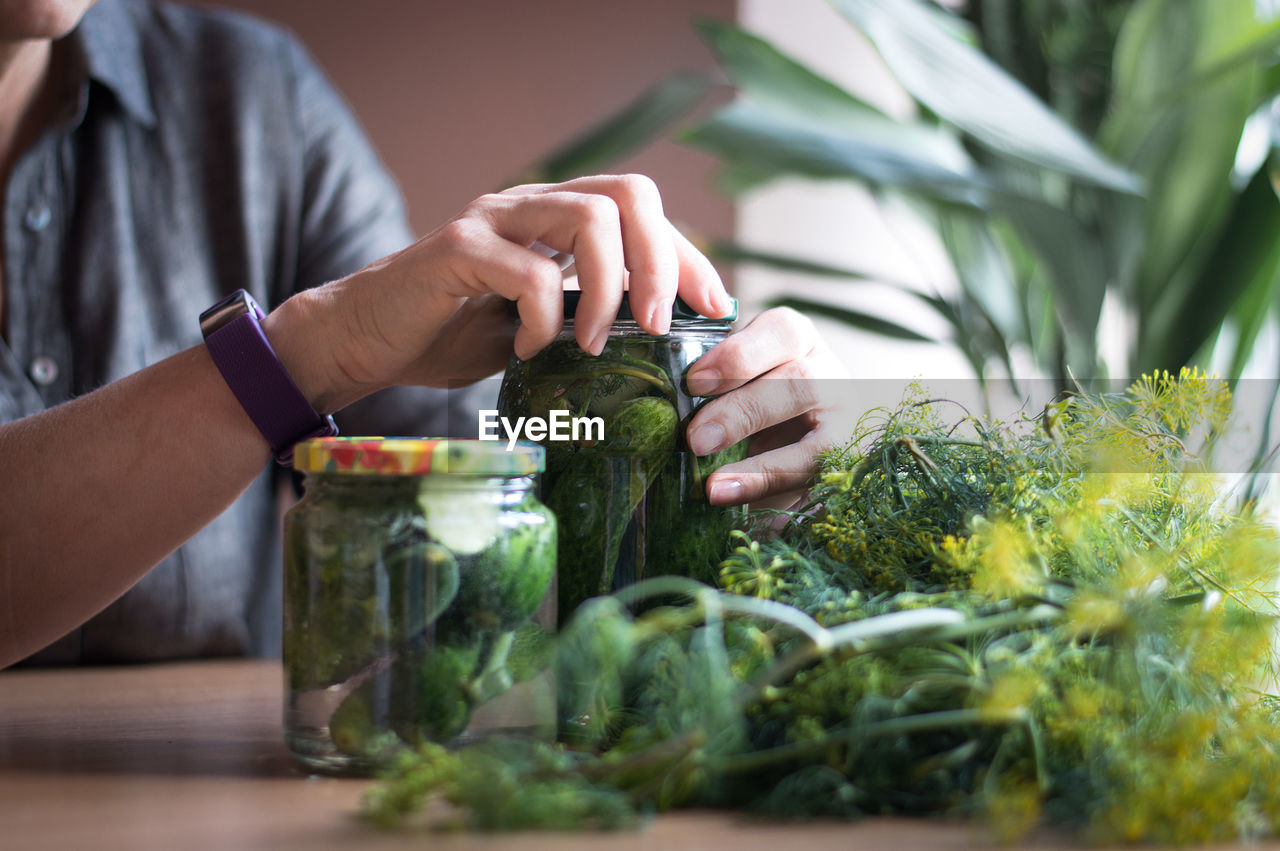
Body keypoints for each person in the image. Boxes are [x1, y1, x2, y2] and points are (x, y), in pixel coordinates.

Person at [0, 0, 846, 669]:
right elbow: (331, 347)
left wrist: (734, 450)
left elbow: (475, 495)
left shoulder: (257, 97)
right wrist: (297, 355)